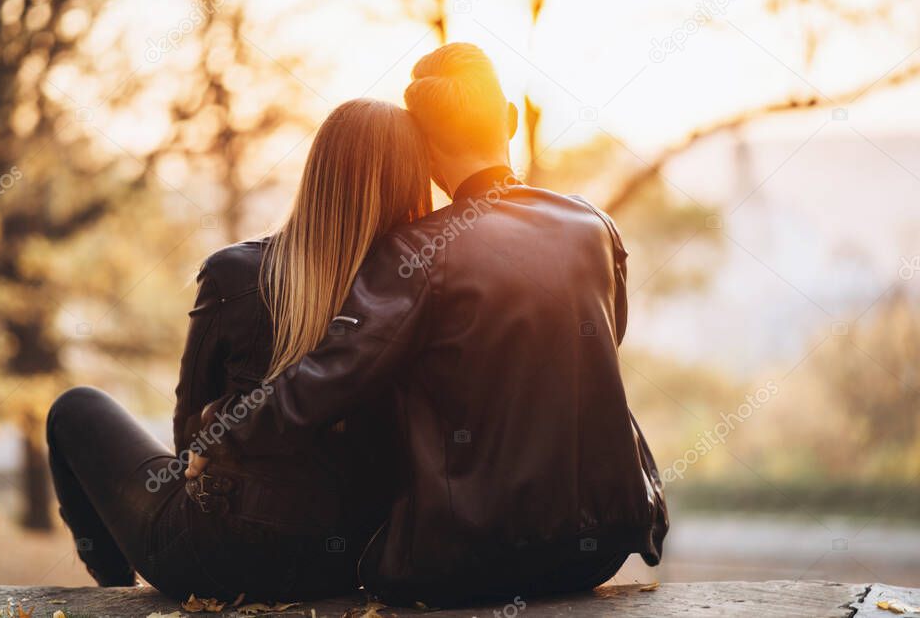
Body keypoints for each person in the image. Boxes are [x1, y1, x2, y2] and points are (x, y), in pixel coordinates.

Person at [190, 43, 669, 606]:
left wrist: (222, 427)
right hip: (596, 548)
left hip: (471, 556)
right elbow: (597, 345)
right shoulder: (592, 225)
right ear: (510, 119)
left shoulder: (416, 252)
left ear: (422, 148)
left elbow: (327, 382)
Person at [46, 98, 432, 602]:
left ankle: (113, 594)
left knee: (75, 408)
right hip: (348, 561)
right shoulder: (421, 291)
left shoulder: (238, 274)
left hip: (216, 558)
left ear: (319, 174)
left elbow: (188, 438)